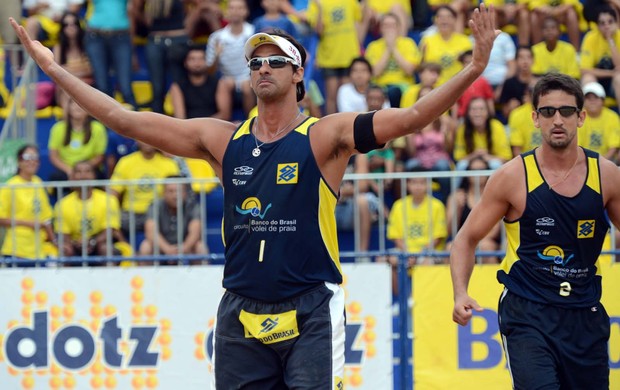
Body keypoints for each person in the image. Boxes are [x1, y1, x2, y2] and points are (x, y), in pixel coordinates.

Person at [10, 4, 498, 386]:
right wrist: (54, 69)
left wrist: (475, 67)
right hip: (241, 308)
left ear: (298, 74)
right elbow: (124, 119)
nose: (262, 68)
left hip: (309, 307)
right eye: (255, 62)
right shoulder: (222, 139)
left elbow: (411, 118)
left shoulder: (326, 136)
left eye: (274, 61)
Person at [450, 73, 616, 389]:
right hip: (527, 310)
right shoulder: (512, 176)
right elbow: (466, 239)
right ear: (534, 119)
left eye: (566, 111)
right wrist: (460, 292)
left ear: (581, 117)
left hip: (584, 311)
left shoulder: (606, 175)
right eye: (548, 112)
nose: (557, 119)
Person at [54, 160, 129, 264]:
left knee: (106, 249)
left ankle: (108, 279)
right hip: (76, 245)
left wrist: (92, 241)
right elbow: (64, 235)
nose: (83, 175)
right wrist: (76, 243)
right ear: (72, 177)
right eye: (78, 172)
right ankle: (64, 280)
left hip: (100, 243)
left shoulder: (109, 200)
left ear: (94, 176)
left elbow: (110, 230)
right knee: (65, 250)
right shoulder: (62, 204)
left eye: (87, 171)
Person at [109, 141, 180, 238]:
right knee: (112, 221)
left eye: (149, 138)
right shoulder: (125, 162)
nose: (147, 142)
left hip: (158, 213)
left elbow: (175, 191)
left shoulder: (169, 164)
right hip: (130, 214)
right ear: (136, 140)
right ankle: (126, 248)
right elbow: (113, 192)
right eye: (142, 138)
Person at [0, 145, 57, 263]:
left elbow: (46, 217)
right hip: (17, 249)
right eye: (27, 157)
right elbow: (1, 218)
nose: (32, 161)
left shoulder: (38, 182)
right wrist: (30, 223)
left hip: (39, 250)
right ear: (19, 162)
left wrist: (54, 241)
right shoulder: (9, 186)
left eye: (35, 157)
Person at [133, 0, 191, 114]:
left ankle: (183, 121)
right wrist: (146, 20)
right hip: (155, 39)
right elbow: (134, 8)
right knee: (157, 86)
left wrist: (188, 28)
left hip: (178, 39)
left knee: (180, 85)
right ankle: (157, 123)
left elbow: (200, 5)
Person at [139, 177, 208, 264]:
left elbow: (195, 232)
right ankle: (147, 278)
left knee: (200, 247)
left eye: (179, 191)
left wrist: (184, 248)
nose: (175, 195)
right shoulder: (155, 205)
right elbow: (151, 232)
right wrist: (167, 249)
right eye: (171, 191)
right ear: (164, 193)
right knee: (145, 247)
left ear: (185, 193)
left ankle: (200, 277)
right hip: (161, 247)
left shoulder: (193, 206)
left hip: (186, 247)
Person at [84, 0, 137, 109]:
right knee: (102, 85)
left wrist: (133, 50)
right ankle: (105, 125)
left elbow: (132, 12)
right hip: (95, 36)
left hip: (121, 37)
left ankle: (137, 124)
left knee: (125, 86)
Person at [48, 97, 108, 184]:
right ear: (68, 108)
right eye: (74, 104)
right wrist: (70, 170)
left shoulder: (98, 128)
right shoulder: (58, 128)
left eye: (81, 104)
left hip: (90, 168)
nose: (77, 107)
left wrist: (83, 170)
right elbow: (54, 156)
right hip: (67, 169)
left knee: (99, 176)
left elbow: (100, 156)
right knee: (56, 178)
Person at [168, 45, 231, 120]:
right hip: (188, 127)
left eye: (201, 59)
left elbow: (224, 115)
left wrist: (203, 126)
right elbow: (180, 117)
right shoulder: (177, 86)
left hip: (214, 126)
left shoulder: (219, 83)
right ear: (185, 63)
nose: (197, 63)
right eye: (192, 59)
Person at [579, 81, 620, 162]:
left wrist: (600, 163)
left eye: (596, 97)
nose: (592, 101)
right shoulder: (579, 116)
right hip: (583, 161)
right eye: (588, 98)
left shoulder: (612, 116)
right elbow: (577, 146)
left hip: (609, 160)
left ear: (603, 100)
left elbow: (614, 147)